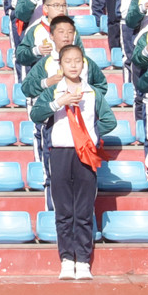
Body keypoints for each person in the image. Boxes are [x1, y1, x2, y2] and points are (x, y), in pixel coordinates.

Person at [30, 44, 113, 280]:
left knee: (84, 209)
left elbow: (109, 120)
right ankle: (67, 259)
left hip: (84, 153)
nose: (73, 65)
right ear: (61, 65)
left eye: (78, 61)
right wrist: (59, 102)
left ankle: (83, 260)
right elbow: (35, 115)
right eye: (68, 61)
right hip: (60, 153)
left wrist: (91, 135)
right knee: (64, 210)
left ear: (84, 64)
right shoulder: (53, 91)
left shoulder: (92, 93)